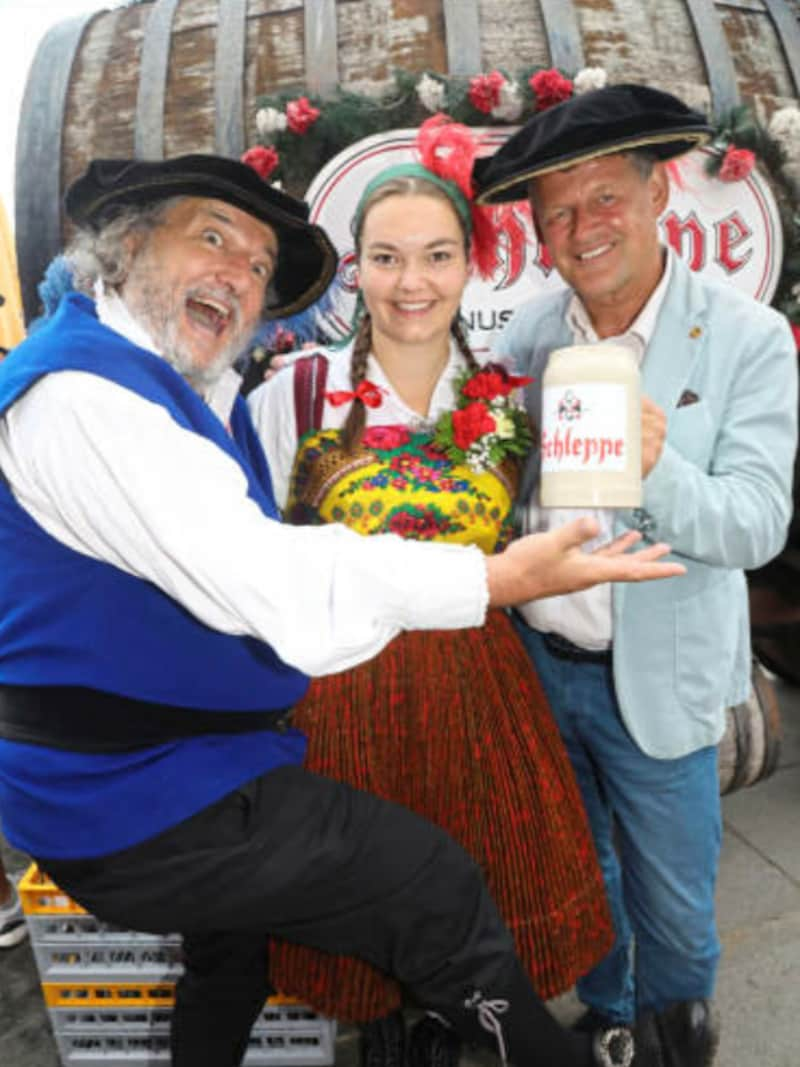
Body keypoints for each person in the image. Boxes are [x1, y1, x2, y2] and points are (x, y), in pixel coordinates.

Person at [0, 152, 683, 1067]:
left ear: (468, 267)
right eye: (211, 238)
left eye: (254, 264)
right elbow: (268, 568)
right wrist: (492, 581)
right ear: (122, 250)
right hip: (175, 762)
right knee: (424, 881)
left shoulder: (179, 380)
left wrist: (637, 472)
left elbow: (565, 526)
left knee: (236, 947)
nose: (239, 275)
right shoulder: (103, 397)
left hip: (316, 718)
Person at [248, 116, 613, 1067]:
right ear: (354, 267)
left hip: (483, 691)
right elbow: (255, 562)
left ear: (469, 267)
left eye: (438, 256)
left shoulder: (513, 399)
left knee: (483, 889)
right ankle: (390, 1028)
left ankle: (473, 1028)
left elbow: (552, 554)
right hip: (343, 693)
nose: (413, 282)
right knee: (363, 901)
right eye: (387, 256)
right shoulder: (290, 396)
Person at [473, 83, 799, 1066]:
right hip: (544, 663)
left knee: (672, 885)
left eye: (604, 195)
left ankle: (676, 1029)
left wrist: (655, 460)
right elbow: (508, 489)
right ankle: (613, 1010)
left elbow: (753, 523)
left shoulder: (742, 339)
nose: (583, 225)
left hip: (658, 670)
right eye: (558, 210)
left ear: (657, 194)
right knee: (585, 867)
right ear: (538, 231)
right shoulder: (529, 338)